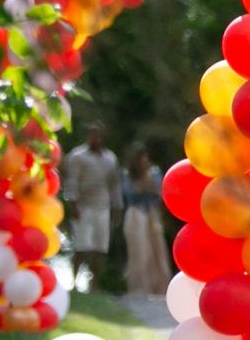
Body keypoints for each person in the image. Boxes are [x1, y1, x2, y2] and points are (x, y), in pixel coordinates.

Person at [63, 124, 121, 291]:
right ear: (88, 137)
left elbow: (114, 186)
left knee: (100, 248)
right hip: (83, 206)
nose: (96, 139)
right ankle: (74, 283)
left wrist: (117, 208)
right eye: (93, 136)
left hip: (103, 206)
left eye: (98, 136)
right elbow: (72, 182)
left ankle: (94, 285)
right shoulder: (78, 156)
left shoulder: (110, 158)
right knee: (81, 246)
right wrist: (73, 204)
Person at [122, 144, 170, 297]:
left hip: (152, 213)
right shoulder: (126, 174)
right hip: (136, 213)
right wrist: (144, 185)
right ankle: (139, 289)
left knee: (158, 251)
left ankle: (160, 289)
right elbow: (130, 194)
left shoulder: (154, 172)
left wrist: (146, 186)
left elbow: (160, 193)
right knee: (139, 251)